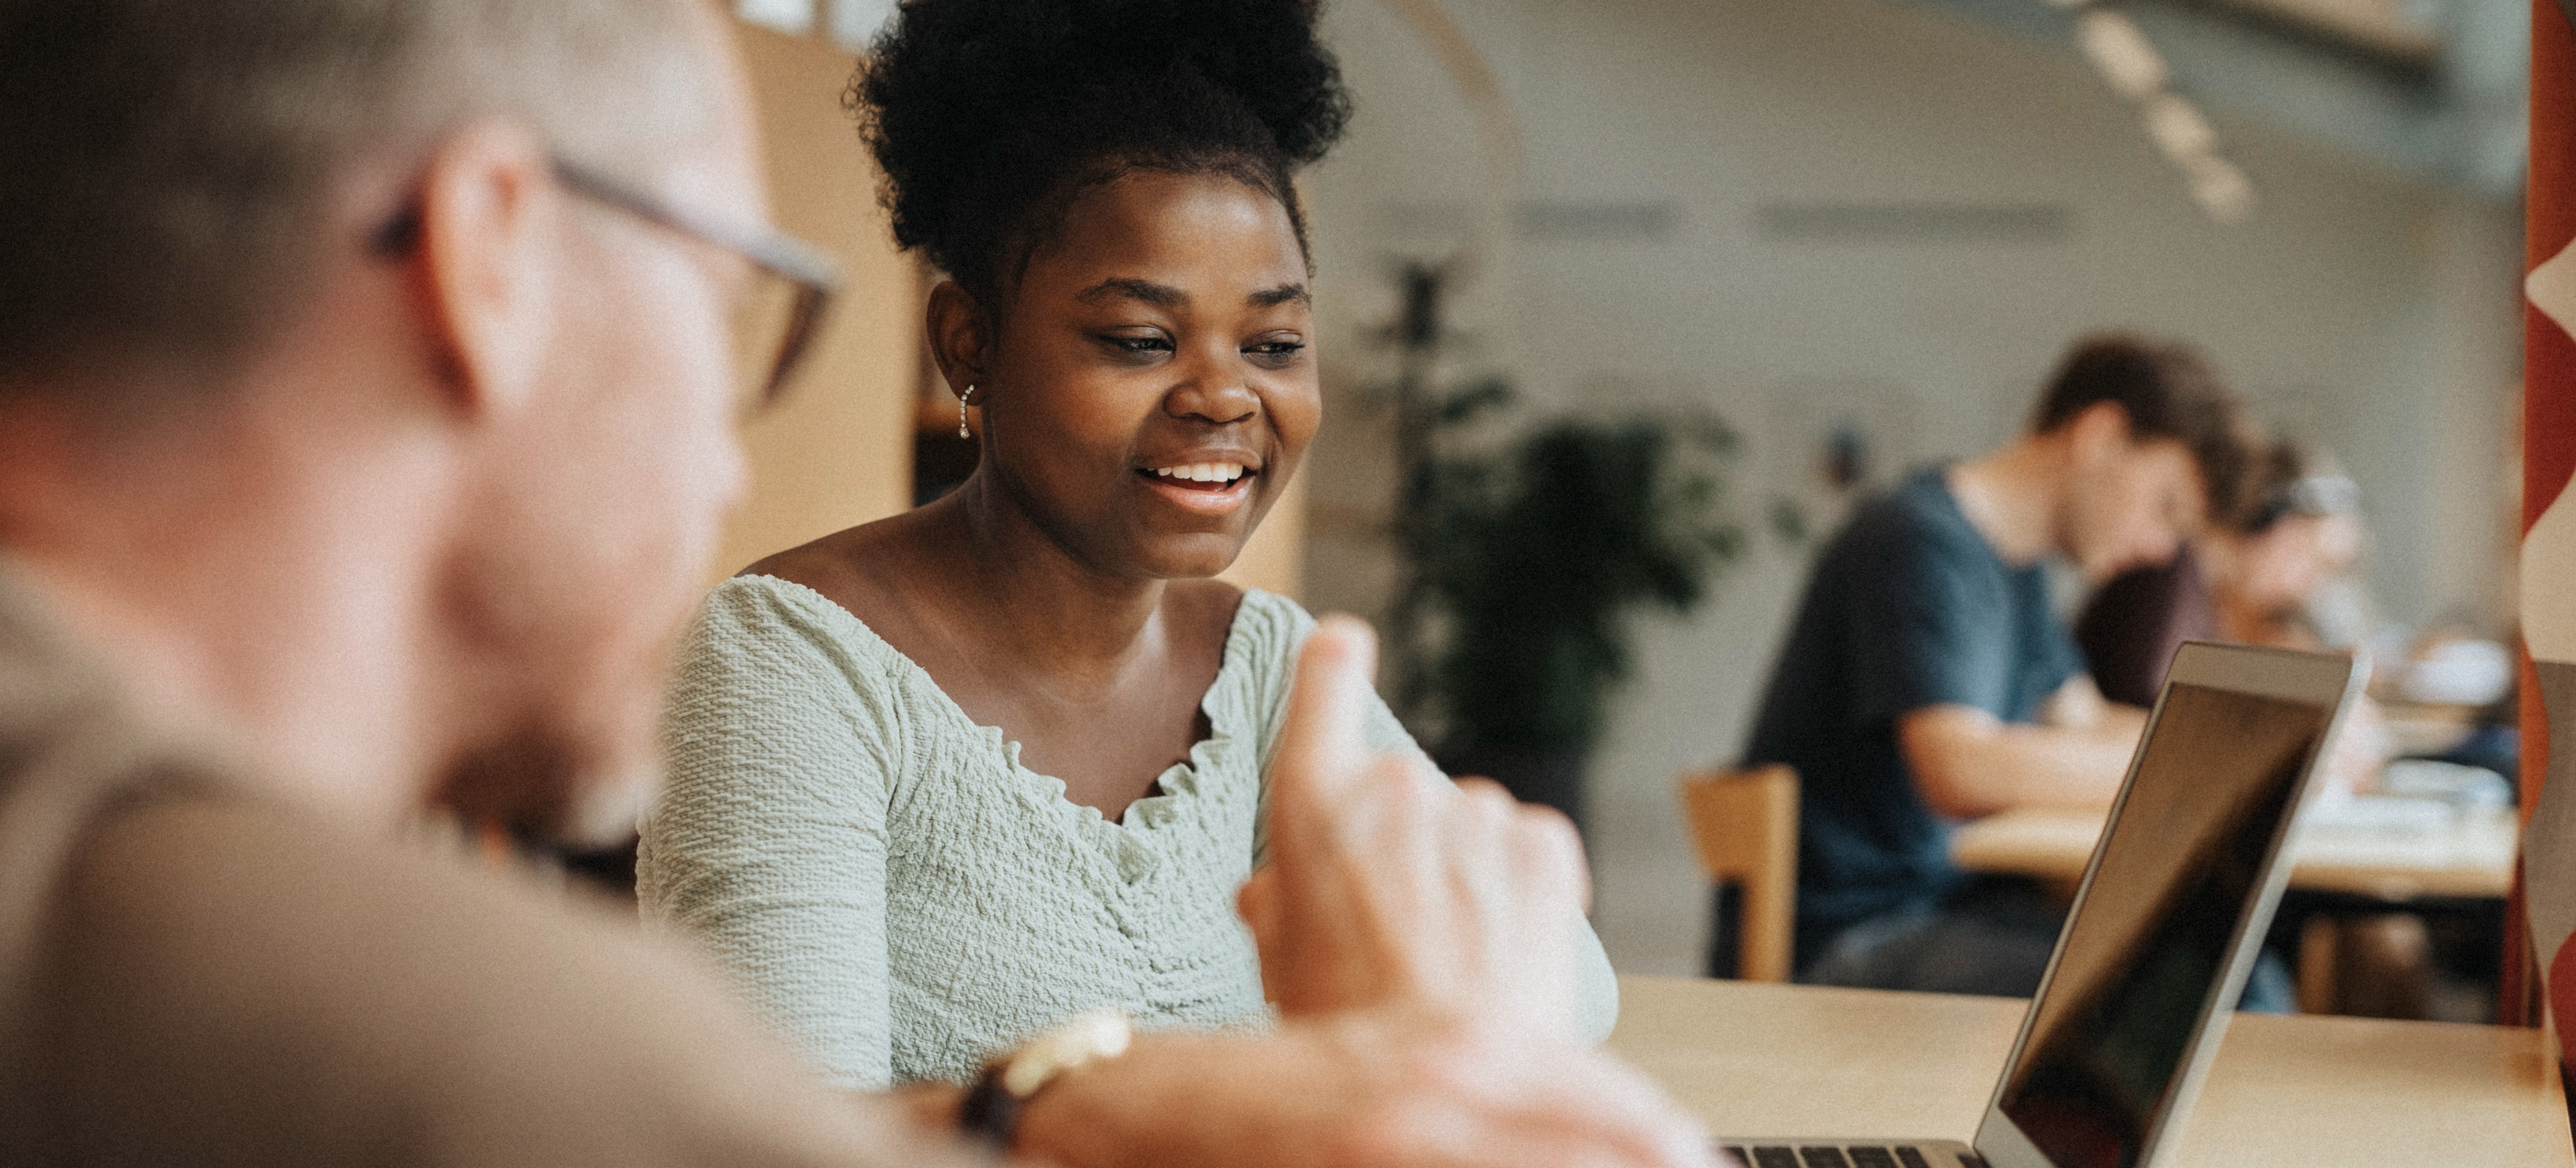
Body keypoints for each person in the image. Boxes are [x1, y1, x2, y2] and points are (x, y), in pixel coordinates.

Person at [0, 1, 1714, 1165]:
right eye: (741, 299)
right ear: (492, 259)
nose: (735, 457)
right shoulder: (438, 1035)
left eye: (1274, 334)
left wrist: (1067, 1098)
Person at [635, 0, 1616, 1091]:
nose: (1222, 395)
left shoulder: (1268, 668)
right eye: (1140, 340)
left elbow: (1565, 985)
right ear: (969, 341)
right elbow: (785, 1134)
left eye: (1275, 342)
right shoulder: (792, 664)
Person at [1732, 334, 2252, 995]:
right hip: (1853, 936)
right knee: (2187, 990)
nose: (2159, 550)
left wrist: (2237, 746)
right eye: (2166, 507)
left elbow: (2088, 722)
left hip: (1948, 911)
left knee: (2215, 966)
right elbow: (1961, 769)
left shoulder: (2017, 568)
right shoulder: (1915, 541)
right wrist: (2210, 772)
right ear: (2099, 436)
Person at [2077, 440, 2362, 705]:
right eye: (2302, 554)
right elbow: (2157, 711)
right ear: (2258, 520)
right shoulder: (2170, 572)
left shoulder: (2220, 600)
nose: (2304, 585)